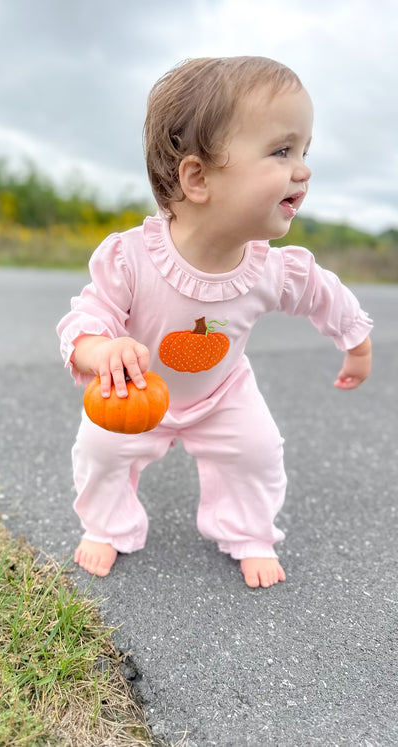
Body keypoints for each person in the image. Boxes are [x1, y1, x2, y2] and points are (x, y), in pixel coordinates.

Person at [56, 56, 373, 588]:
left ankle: (248, 532)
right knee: (101, 451)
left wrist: (356, 342)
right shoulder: (132, 258)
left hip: (223, 391)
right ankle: (106, 526)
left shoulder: (271, 267)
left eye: (303, 151)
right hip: (136, 390)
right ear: (197, 177)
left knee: (257, 451)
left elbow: (325, 294)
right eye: (281, 150)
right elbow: (88, 316)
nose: (303, 169)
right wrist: (100, 350)